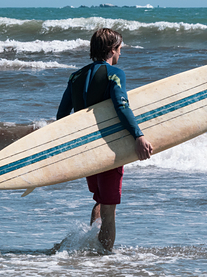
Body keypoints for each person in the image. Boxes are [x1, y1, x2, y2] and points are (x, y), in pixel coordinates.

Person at [56, 28, 153, 252]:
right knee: (109, 211)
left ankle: (92, 247)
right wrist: (138, 135)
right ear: (112, 50)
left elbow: (62, 116)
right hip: (109, 150)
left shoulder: (75, 77)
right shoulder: (115, 73)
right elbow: (121, 105)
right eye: (120, 49)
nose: (121, 54)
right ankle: (103, 262)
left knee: (99, 201)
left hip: (87, 150)